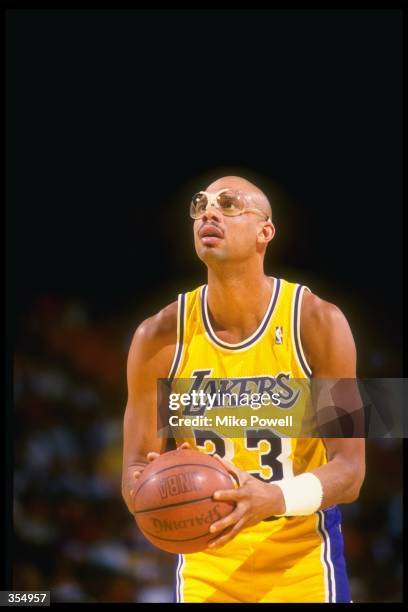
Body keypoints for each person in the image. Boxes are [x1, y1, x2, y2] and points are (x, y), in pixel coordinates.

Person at [121, 175, 366, 603]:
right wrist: (149, 492)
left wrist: (271, 498)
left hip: (303, 564)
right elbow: (134, 467)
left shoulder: (321, 323)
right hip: (206, 566)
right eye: (201, 206)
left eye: (229, 204)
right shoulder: (155, 337)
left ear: (264, 232)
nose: (209, 213)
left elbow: (351, 472)